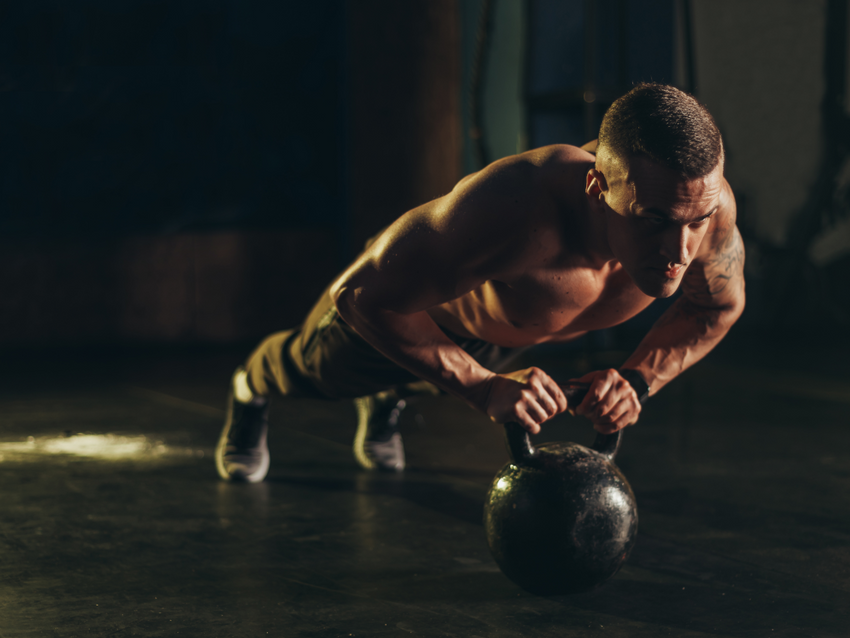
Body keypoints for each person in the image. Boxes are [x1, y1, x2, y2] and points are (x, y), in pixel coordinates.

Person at [216, 83, 745, 483]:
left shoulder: (706, 207)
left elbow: (715, 307)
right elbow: (361, 297)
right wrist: (480, 386)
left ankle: (389, 398)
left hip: (505, 334)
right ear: (596, 186)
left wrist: (637, 381)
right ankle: (250, 389)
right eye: (653, 219)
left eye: (695, 221)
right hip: (411, 309)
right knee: (315, 374)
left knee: (428, 377)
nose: (680, 251)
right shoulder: (515, 207)